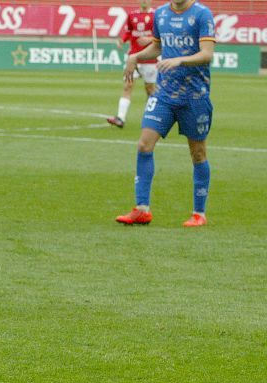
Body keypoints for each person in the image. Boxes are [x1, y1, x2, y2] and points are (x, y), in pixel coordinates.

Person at [116, 0, 216, 228]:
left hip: (195, 96)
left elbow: (207, 54)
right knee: (144, 145)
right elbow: (158, 46)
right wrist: (135, 57)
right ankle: (142, 209)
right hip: (164, 94)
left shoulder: (202, 14)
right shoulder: (160, 14)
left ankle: (199, 213)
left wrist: (180, 60)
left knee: (198, 154)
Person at [107, 0, 157, 128]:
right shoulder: (132, 15)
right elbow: (129, 32)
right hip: (133, 59)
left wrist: (149, 39)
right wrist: (122, 40)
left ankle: (151, 119)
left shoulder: (156, 16)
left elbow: (161, 35)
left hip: (150, 58)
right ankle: (120, 118)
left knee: (150, 90)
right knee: (127, 86)